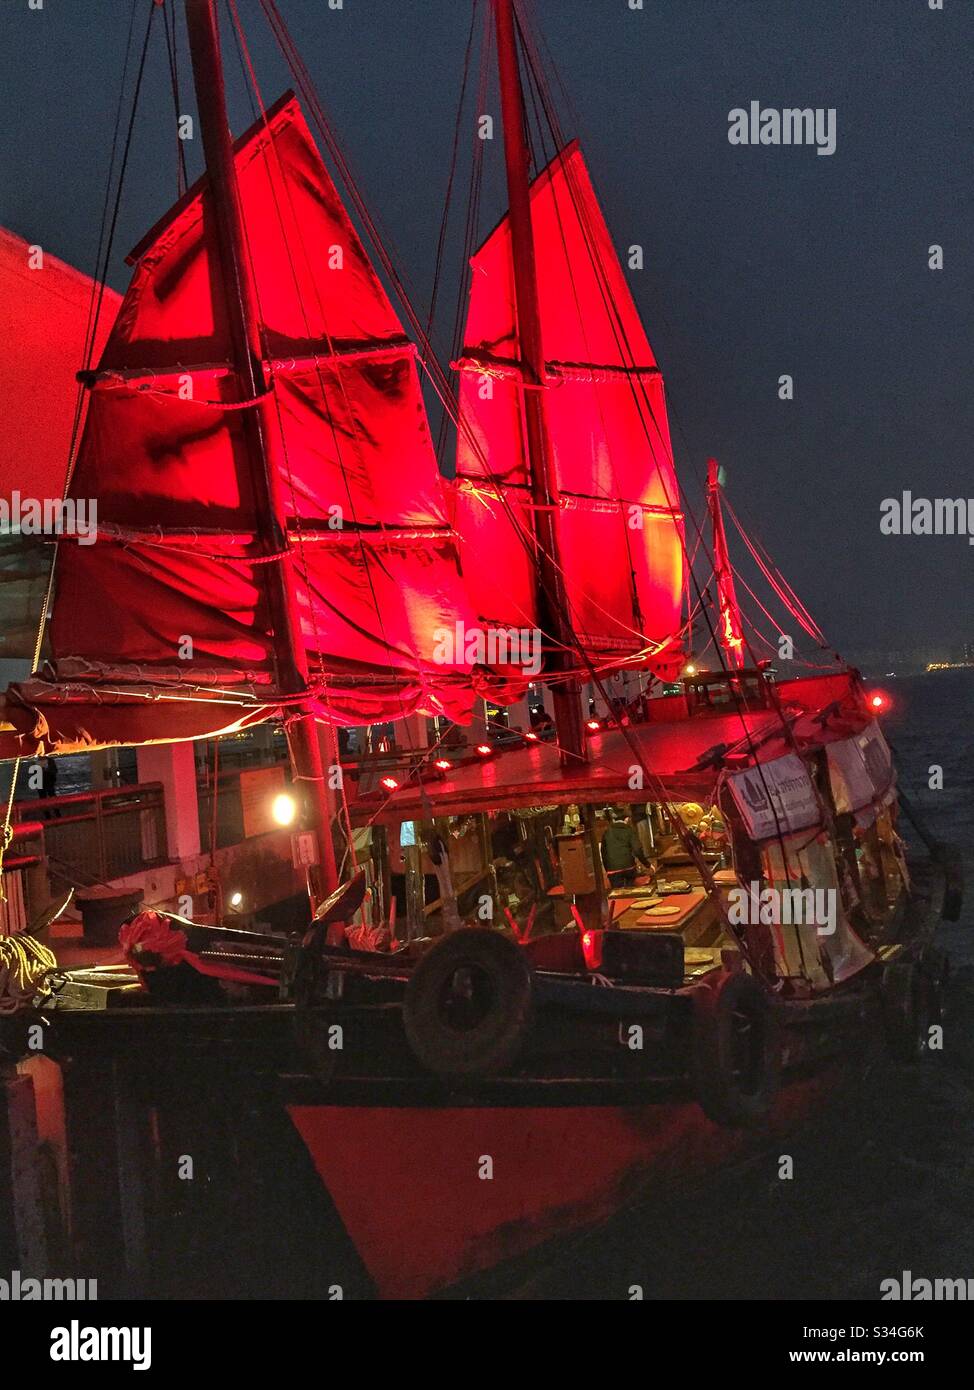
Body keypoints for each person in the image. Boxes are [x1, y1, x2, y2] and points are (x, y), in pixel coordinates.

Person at [600, 807, 650, 888]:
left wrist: (608, 870)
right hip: (629, 867)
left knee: (618, 894)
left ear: (614, 820)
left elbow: (603, 853)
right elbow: (637, 850)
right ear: (626, 819)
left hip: (613, 870)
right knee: (630, 890)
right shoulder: (629, 830)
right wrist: (647, 864)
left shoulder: (607, 832)